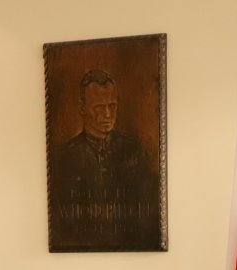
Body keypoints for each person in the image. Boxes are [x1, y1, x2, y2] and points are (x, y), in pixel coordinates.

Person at [50, 68, 158, 250]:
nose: (108, 115)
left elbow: (147, 206)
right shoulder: (66, 156)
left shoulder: (132, 148)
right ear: (82, 108)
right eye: (99, 107)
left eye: (112, 106)